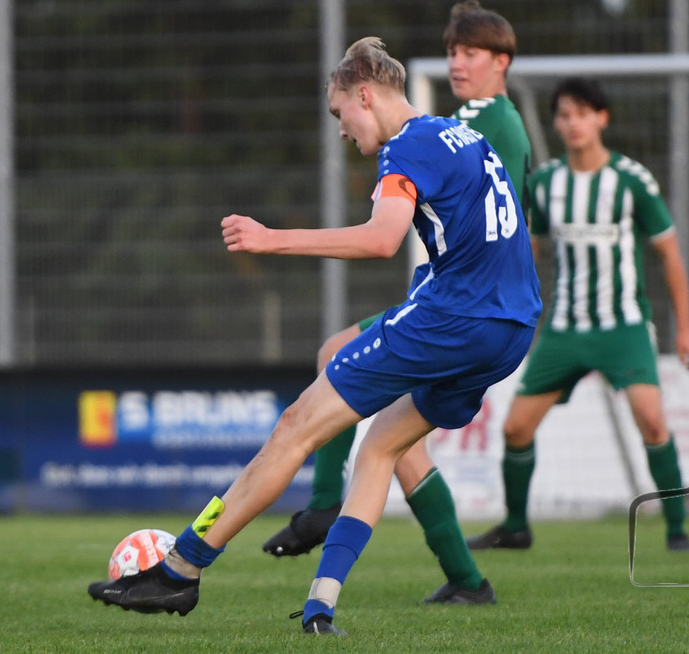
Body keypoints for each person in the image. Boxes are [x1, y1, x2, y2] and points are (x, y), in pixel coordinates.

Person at [87, 37, 542, 636]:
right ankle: (321, 606)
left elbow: (382, 239)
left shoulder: (407, 148)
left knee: (296, 424)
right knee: (381, 447)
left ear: (364, 94)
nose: (341, 130)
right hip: (513, 325)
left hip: (456, 318)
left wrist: (271, 238)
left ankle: (180, 571)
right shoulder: (461, 135)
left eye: (338, 114)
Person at [261, 0, 531, 606]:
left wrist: (276, 238)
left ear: (501, 62)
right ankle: (464, 578)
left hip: (462, 305)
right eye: (453, 51)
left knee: (342, 361)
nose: (457, 63)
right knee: (393, 441)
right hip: (459, 298)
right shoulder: (469, 120)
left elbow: (493, 223)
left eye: (471, 53)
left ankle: (326, 507)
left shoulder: (488, 124)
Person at [465, 77, 689, 553]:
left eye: (582, 113)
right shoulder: (547, 183)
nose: (572, 124)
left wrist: (686, 329)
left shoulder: (632, 179)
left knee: (651, 420)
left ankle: (677, 529)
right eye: (564, 115)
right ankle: (515, 527)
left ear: (601, 118)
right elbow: (525, 249)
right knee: (515, 428)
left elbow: (669, 253)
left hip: (625, 326)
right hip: (565, 329)